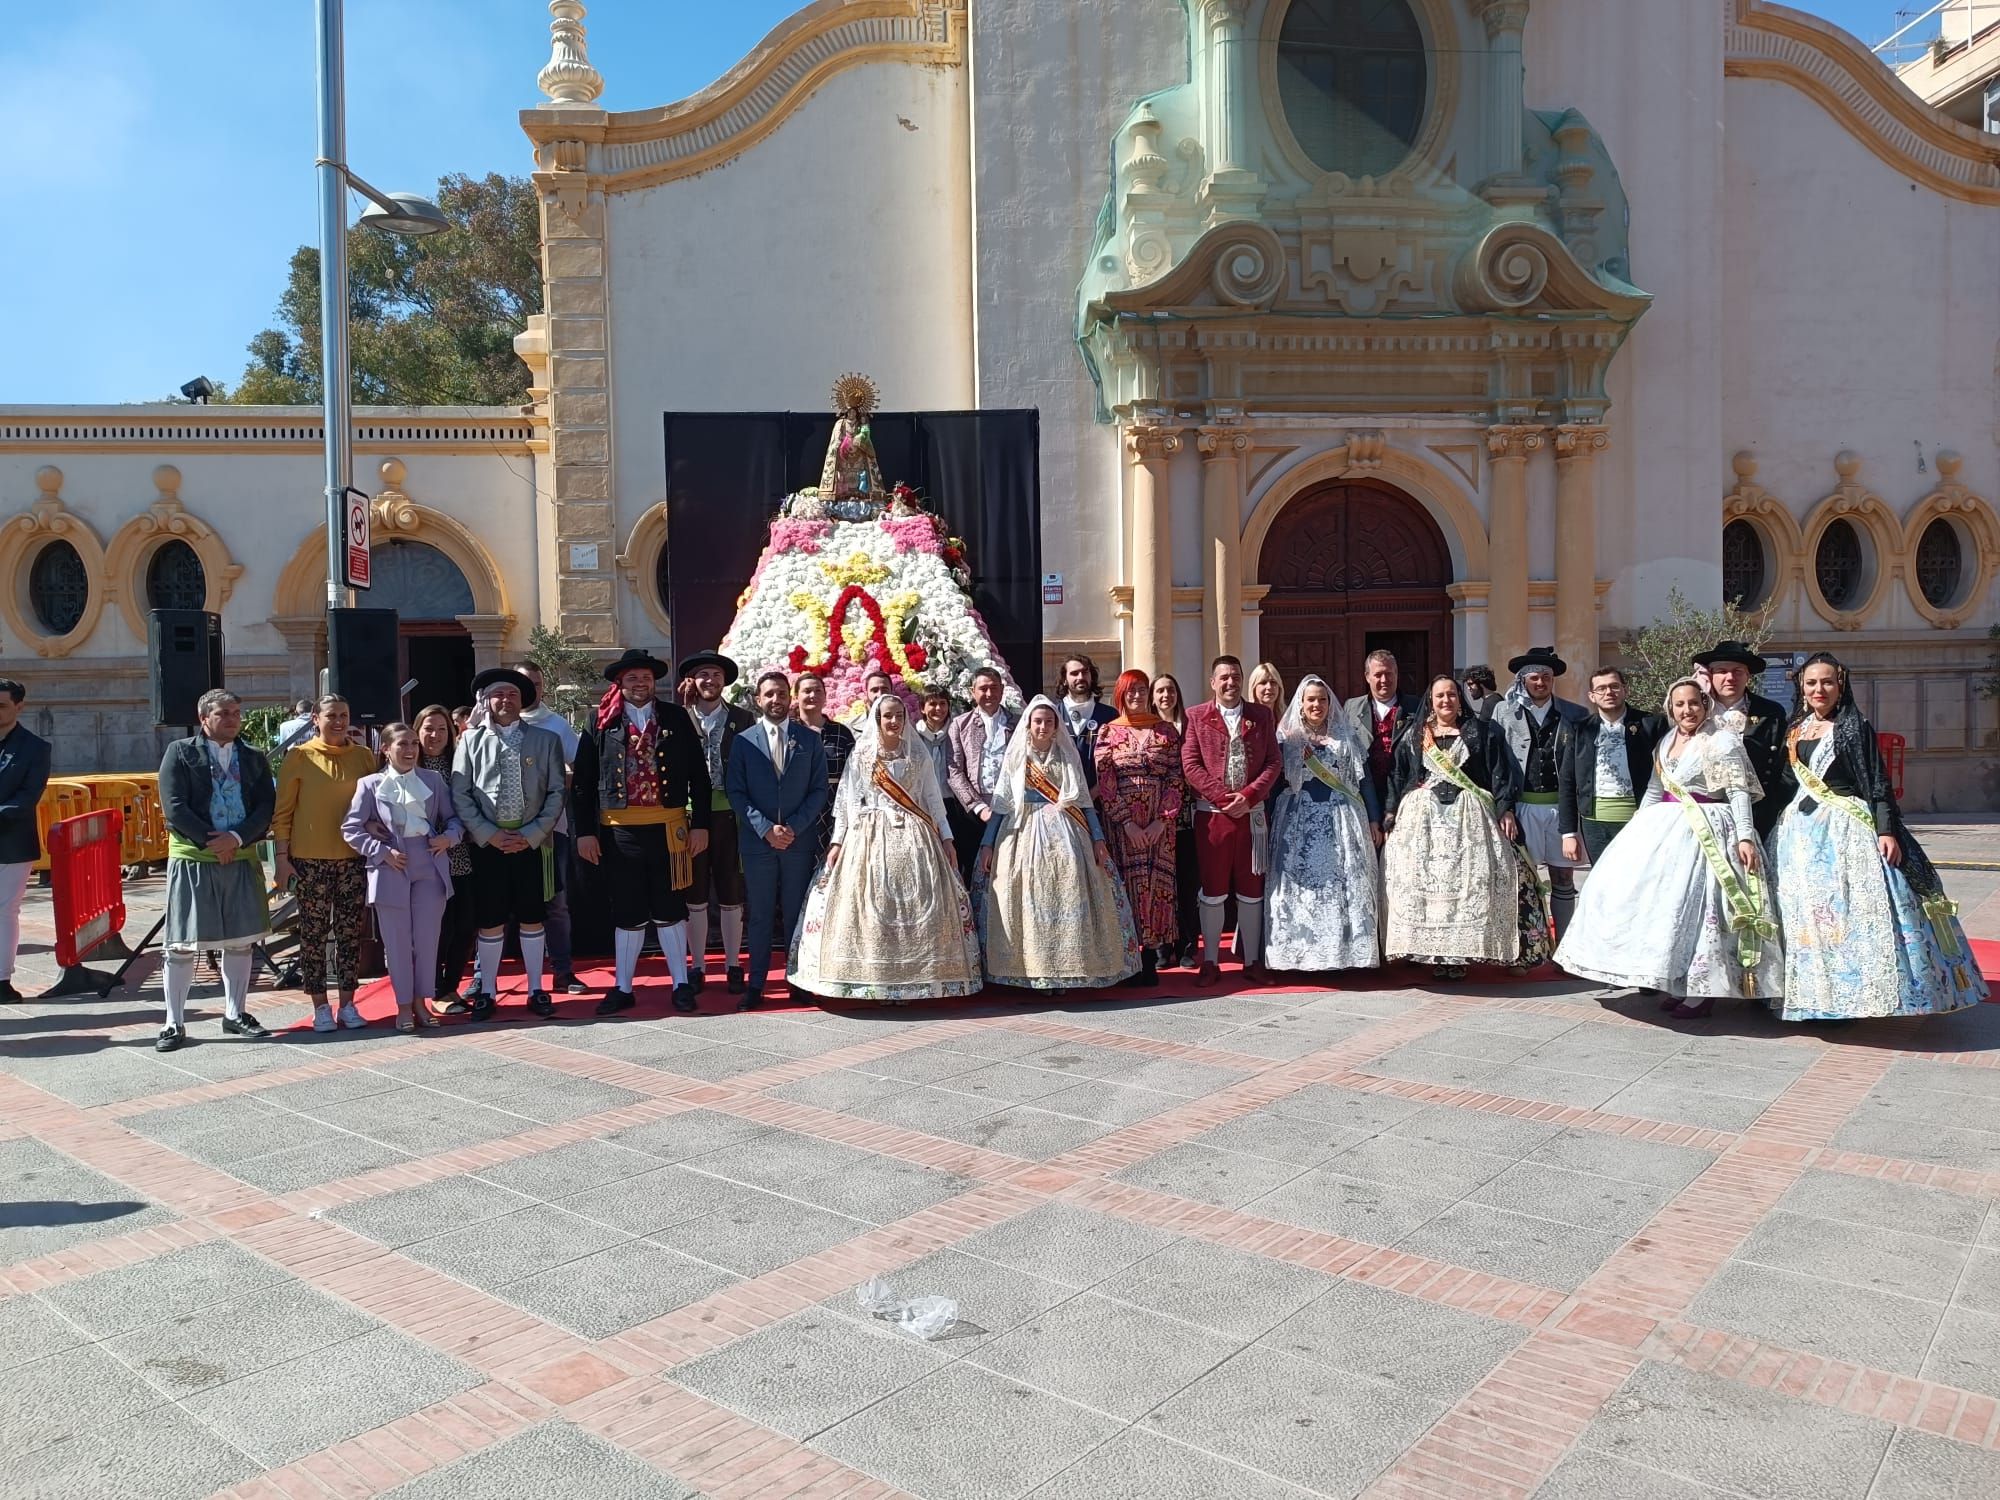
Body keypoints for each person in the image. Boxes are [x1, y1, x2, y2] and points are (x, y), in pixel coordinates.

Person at [1767, 652, 1984, 1022]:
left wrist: (1886, 830)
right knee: (1805, 914)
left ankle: (1850, 998)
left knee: (1848, 910)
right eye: (1812, 683)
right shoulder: (1796, 729)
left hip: (1845, 830)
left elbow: (1878, 782)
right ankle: (1809, 996)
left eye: (1827, 682)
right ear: (1801, 688)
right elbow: (1787, 784)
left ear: (1840, 685)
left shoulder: (1853, 726)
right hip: (1799, 837)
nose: (1820, 689)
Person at [1554, 677, 1779, 1017]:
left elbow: (1737, 792)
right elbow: (1655, 790)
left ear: (1705, 705)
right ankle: (1677, 981)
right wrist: (1637, 831)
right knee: (1669, 911)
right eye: (1679, 705)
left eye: (1693, 703)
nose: (1687, 710)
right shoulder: (1667, 740)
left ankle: (1703, 989)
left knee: (1704, 913)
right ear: (1670, 709)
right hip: (1667, 827)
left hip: (1708, 829)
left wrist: (1745, 836)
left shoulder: (1721, 741)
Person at [790, 694, 982, 1002]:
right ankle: (875, 981)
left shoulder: (918, 756)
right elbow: (849, 802)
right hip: (868, 836)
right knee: (869, 905)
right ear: (877, 720)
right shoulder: (863, 754)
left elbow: (933, 801)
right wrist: (838, 841)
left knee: (919, 905)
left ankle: (915, 981)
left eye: (898, 716)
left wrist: (947, 839)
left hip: (916, 837)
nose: (893, 721)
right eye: (887, 716)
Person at [1382, 675, 1551, 980]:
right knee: (1426, 887)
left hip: (1472, 817)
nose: (1445, 700)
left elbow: (1501, 773)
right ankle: (1436, 955)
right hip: (1424, 822)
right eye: (1439, 696)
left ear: (1460, 700)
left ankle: (1499, 952)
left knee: (1493, 877)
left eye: (1451, 695)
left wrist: (1505, 810)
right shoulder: (1414, 734)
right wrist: (1391, 812)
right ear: (1430, 701)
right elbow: (1398, 775)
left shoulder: (1482, 732)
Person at [572, 648, 710, 1015]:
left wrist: (701, 825)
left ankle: (681, 983)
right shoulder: (599, 721)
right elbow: (583, 783)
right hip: (620, 834)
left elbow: (700, 776)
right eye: (632, 678)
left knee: (670, 909)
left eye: (645, 678)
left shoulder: (676, 717)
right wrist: (584, 832)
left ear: (654, 682)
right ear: (620, 682)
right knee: (628, 912)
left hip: (669, 830)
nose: (639, 683)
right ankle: (623, 987)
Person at [978, 697, 1140, 991]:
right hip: (1022, 832)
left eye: (1049, 722)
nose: (1043, 726)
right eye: (1038, 721)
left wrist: (1098, 838)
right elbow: (1001, 804)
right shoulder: (1016, 757)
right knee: (1025, 897)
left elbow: (1084, 802)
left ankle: (1067, 970)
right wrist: (988, 844)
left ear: (1056, 727)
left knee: (1069, 888)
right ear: (1028, 724)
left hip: (1066, 832)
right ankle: (1031, 970)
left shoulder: (1067, 756)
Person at [155, 690, 274, 1051]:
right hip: (195, 857)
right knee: (182, 943)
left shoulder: (253, 757)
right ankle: (173, 1024)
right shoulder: (180, 752)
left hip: (238, 856)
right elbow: (174, 805)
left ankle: (235, 1014)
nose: (233, 719)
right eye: (224, 713)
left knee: (240, 940)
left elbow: (266, 805)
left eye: (237, 712)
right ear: (204, 717)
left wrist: (236, 838)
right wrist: (213, 842)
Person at [451, 668, 567, 1018]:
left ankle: (536, 989)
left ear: (523, 700)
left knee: (534, 917)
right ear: (485, 701)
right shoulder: (470, 741)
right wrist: (489, 834)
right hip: (489, 846)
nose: (505, 700)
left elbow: (557, 791)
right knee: (490, 920)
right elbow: (461, 792)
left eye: (512, 694)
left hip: (531, 845)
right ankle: (487, 990)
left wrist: (531, 835)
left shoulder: (546, 740)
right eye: (498, 694)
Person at [343, 724, 462, 1033]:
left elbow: (454, 819)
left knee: (426, 940)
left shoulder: (433, 780)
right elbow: (351, 828)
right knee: (396, 943)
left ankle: (423, 1002)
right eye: (402, 745)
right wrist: (382, 853)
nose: (410, 750)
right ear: (386, 749)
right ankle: (403, 1006)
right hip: (390, 868)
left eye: (413, 744)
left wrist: (449, 838)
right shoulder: (369, 784)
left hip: (429, 863)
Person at [273, 695, 378, 1032]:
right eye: (331, 715)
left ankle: (348, 1003)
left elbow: (374, 805)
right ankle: (320, 1005)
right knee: (314, 935)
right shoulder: (299, 757)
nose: (338, 721)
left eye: (344, 715)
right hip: (309, 861)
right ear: (315, 718)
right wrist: (281, 859)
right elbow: (283, 813)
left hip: (353, 859)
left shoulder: (363, 757)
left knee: (349, 934)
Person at [1264, 675, 1381, 973]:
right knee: (1300, 888)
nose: (1317, 704)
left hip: (1341, 818)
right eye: (1311, 699)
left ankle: (1344, 953)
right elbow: (1275, 784)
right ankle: (1298, 953)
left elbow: (1364, 782)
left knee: (1344, 884)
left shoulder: (1346, 738)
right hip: (1297, 820)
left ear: (1330, 704)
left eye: (1322, 699)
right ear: (1300, 704)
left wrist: (1373, 819)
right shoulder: (1286, 739)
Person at [724, 671, 828, 1008]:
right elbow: (736, 791)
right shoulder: (743, 741)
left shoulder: (809, 740)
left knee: (797, 912)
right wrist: (765, 828)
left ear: (790, 698)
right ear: (758, 699)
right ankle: (756, 985)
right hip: (758, 844)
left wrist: (793, 828)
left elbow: (819, 790)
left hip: (798, 843)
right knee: (760, 914)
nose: (776, 700)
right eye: (769, 694)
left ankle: (796, 979)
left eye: (782, 694)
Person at [1181, 656, 1282, 985]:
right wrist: (1224, 798)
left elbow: (1273, 762)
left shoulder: (1261, 715)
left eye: (1235, 677)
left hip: (1252, 817)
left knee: (1252, 890)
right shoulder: (1196, 716)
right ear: (1213, 682)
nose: (1230, 683)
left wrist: (1250, 796)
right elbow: (1191, 764)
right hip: (1213, 818)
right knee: (1212, 890)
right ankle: (1210, 961)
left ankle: (1252, 961)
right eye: (1223, 677)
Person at [1489, 648, 1589, 940]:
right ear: (1524, 681)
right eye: (1534, 677)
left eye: (1546, 677)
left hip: (1561, 809)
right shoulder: (1504, 713)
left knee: (1562, 876)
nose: (1541, 682)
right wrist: (1503, 807)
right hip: (1522, 808)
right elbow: (1499, 765)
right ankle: (1528, 944)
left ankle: (1565, 943)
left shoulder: (1575, 714)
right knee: (1524, 878)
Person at [1094, 669, 1184, 987]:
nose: (1137, 696)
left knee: (1157, 885)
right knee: (1128, 886)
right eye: (1130, 691)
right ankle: (1128, 957)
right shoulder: (1108, 732)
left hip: (1160, 825)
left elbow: (1176, 777)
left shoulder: (1166, 732)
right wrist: (1127, 823)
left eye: (1142, 690)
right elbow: (1106, 784)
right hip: (1123, 824)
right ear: (1120, 694)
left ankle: (1151, 956)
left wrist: (1163, 819)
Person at [682, 651, 753, 992]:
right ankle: (696, 965)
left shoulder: (744, 719)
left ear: (724, 681)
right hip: (692, 815)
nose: (709, 681)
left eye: (715, 674)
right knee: (694, 893)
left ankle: (733, 963)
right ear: (693, 681)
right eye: (702, 675)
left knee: (731, 890)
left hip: (731, 815)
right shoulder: (679, 718)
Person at [517, 663, 585, 995]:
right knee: (497, 905)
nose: (532, 689)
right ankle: (482, 978)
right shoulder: (491, 725)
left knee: (555, 903)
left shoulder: (556, 725)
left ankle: (562, 971)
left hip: (549, 830)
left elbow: (579, 767)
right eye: (524, 684)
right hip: (503, 832)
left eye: (536, 684)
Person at [1558, 668, 1664, 865]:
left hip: (1641, 818)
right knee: (1603, 882)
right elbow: (1567, 780)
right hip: (1595, 824)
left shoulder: (1652, 724)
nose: (1609, 692)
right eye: (1601, 688)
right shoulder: (1579, 729)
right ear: (1592, 696)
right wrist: (1568, 833)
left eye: (1614, 686)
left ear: (1625, 690)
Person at [414, 705, 478, 1009]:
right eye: (428, 728)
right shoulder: (408, 766)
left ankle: (450, 986)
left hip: (460, 855)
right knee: (438, 927)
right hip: (426, 859)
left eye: (442, 729)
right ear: (417, 731)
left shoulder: (460, 764)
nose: (435, 735)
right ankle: (435, 989)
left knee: (466, 923)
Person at [1696, 641, 1789, 840]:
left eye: (1738, 671)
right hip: (1705, 812)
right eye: (1721, 671)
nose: (1730, 678)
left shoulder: (1770, 712)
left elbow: (1783, 764)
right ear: (1710, 675)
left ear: (1748, 676)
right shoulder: (1696, 713)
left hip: (1758, 813)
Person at [0, 680, 51, 1003]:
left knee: (5, 910)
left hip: (12, 842)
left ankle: (2, 979)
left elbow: (28, 796)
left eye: (2, 705)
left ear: (20, 706)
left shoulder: (35, 748)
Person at [946, 667, 1018, 884]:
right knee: (974, 868)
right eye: (983, 688)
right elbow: (954, 769)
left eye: (993, 688)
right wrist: (978, 807)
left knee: (1010, 868)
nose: (988, 694)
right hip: (974, 812)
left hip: (1012, 807)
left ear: (1002, 690)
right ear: (972, 692)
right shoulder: (960, 724)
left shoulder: (1018, 723)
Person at [1151, 673, 1202, 969]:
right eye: (1159, 691)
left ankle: (1187, 944)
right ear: (1153, 697)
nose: (1165, 695)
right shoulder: (1147, 728)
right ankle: (1162, 946)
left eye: (1170, 689)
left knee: (1186, 883)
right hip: (1155, 820)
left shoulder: (1189, 725)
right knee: (1160, 885)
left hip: (1184, 821)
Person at [1343, 650, 1422, 812]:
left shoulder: (1416, 706)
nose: (1384, 680)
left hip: (1404, 794)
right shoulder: (1351, 707)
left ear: (1397, 674)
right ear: (1367, 677)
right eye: (1378, 675)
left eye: (1389, 673)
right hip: (1364, 794)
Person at [793, 671, 856, 861]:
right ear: (796, 697)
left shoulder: (841, 733)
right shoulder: (787, 732)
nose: (812, 695)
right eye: (807, 691)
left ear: (825, 696)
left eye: (818, 691)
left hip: (834, 810)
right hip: (797, 810)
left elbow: (854, 775)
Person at [1057, 654, 1116, 795]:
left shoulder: (1110, 716)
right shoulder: (1053, 714)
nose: (1080, 677)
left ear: (1092, 676)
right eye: (1074, 673)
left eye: (1085, 672)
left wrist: (1094, 793)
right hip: (1061, 801)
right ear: (1065, 680)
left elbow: (1117, 761)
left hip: (1099, 801)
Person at [911, 687, 955, 803]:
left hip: (953, 800)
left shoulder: (957, 732)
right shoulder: (914, 735)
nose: (938, 708)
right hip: (923, 801)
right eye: (932, 704)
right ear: (922, 708)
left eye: (942, 703)